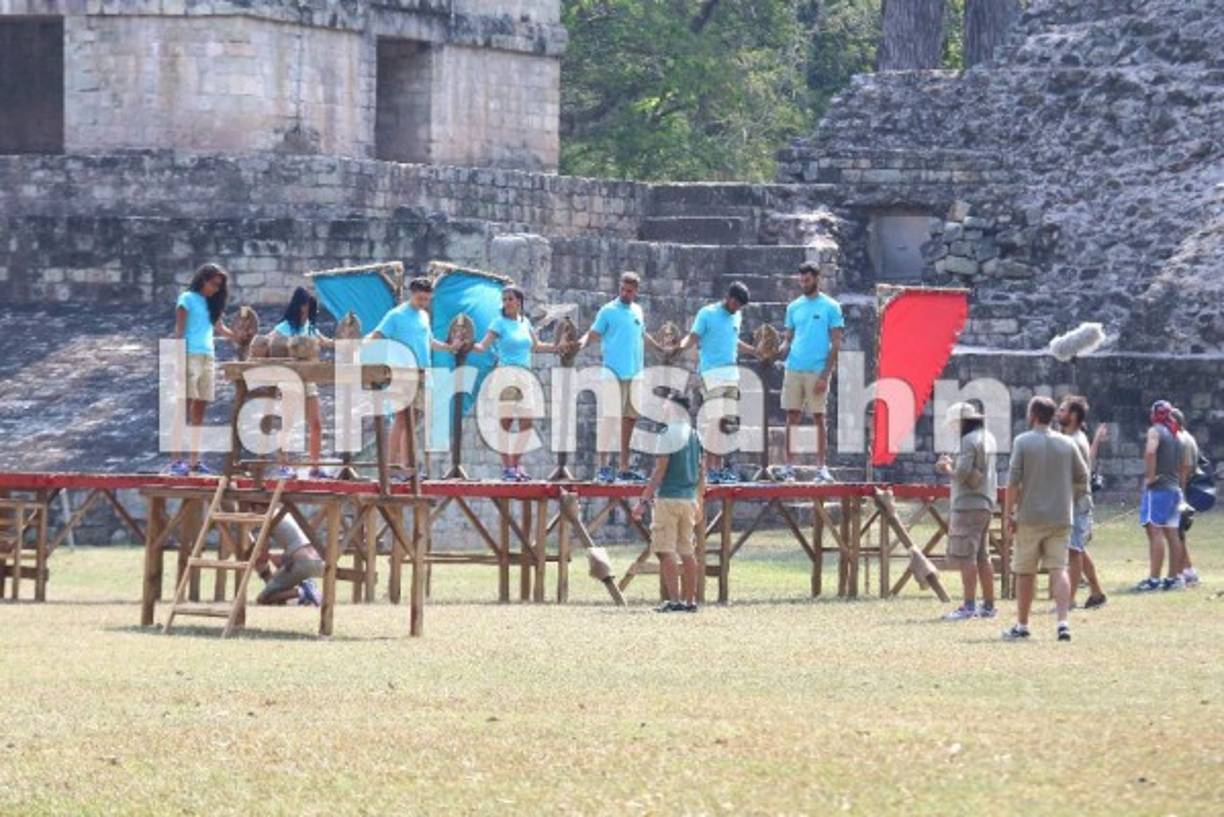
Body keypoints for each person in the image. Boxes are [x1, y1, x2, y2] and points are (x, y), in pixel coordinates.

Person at [1002, 396, 1088, 642]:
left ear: (1032, 415)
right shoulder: (1067, 443)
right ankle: (1063, 621)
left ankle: (1022, 624)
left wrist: (1009, 513)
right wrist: (1066, 494)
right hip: (1061, 515)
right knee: (1058, 568)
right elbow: (1082, 476)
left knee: (1025, 571)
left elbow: (1013, 481)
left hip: (1030, 516)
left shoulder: (1023, 442)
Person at [576, 271, 669, 483]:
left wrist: (659, 348)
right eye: (623, 289)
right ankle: (603, 466)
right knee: (609, 419)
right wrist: (579, 344)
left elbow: (642, 334)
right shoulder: (608, 310)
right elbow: (593, 333)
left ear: (636, 291)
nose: (625, 293)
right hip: (613, 373)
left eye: (630, 290)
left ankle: (624, 466)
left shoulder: (637, 310)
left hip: (635, 374)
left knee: (630, 420)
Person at [367, 277, 458, 479]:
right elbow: (377, 336)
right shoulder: (396, 315)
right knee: (401, 419)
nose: (423, 303)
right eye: (420, 299)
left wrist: (448, 347)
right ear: (412, 294)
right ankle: (391, 466)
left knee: (413, 421)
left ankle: (407, 466)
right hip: (402, 373)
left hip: (423, 373)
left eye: (427, 299)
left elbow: (429, 340)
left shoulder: (424, 316)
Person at [470, 285, 563, 481]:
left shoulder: (525, 322)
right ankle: (508, 468)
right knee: (505, 422)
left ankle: (516, 463)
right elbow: (483, 346)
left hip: (525, 376)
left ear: (519, 302)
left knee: (527, 423)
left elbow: (536, 346)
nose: (507, 303)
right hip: (507, 375)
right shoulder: (498, 323)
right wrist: (467, 344)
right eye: (504, 300)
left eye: (510, 299)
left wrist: (557, 347)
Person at [675, 282, 756, 484]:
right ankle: (709, 468)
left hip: (732, 375)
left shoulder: (736, 315)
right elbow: (693, 337)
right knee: (714, 421)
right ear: (729, 298)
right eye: (736, 304)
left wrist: (755, 351)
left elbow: (733, 341)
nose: (737, 309)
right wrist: (677, 348)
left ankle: (718, 468)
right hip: (712, 373)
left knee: (726, 424)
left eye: (740, 307)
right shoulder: (707, 314)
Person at [632, 392, 703, 613]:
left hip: (669, 498)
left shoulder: (666, 434)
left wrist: (643, 499)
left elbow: (660, 470)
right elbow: (702, 471)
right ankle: (691, 601)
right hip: (689, 499)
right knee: (687, 550)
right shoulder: (694, 435)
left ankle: (674, 601)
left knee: (665, 550)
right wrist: (699, 498)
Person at [777, 263, 844, 483]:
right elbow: (788, 337)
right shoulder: (794, 307)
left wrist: (826, 375)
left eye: (807, 280)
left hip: (817, 369)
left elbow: (836, 344)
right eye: (801, 280)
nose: (803, 283)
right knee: (792, 416)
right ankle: (789, 467)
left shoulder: (831, 307)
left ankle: (821, 468)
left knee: (818, 417)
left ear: (817, 279)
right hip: (794, 367)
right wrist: (779, 349)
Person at [169, 263, 236, 476]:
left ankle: (195, 461)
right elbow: (178, 332)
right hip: (188, 355)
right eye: (212, 283)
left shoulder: (211, 304)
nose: (215, 289)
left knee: (199, 412)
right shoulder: (186, 299)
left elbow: (221, 329)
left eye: (218, 286)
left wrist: (240, 336)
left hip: (208, 356)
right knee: (183, 409)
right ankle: (175, 461)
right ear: (203, 279)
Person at [935, 402, 998, 621]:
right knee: (983, 556)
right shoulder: (988, 437)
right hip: (986, 501)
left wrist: (946, 468)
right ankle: (989, 605)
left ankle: (969, 606)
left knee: (966, 556)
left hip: (968, 504)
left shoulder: (968, 441)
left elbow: (961, 474)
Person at [269, 287, 333, 479]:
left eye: (310, 306)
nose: (307, 309)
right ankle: (283, 465)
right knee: (288, 423)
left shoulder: (311, 328)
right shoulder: (284, 328)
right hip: (290, 380)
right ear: (298, 305)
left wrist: (348, 339)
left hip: (309, 380)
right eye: (305, 305)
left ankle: (315, 466)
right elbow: (271, 343)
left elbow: (326, 342)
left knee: (316, 424)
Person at [1057, 395, 1108, 609]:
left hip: (1077, 502)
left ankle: (1069, 601)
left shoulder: (1075, 440)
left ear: (1074, 415)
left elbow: (1076, 476)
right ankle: (1096, 593)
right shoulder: (1072, 438)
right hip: (1075, 501)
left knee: (1074, 551)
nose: (1059, 413)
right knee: (1077, 549)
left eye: (1063, 410)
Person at [1134, 400, 1186, 592]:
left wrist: (1150, 477)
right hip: (1174, 489)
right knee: (1172, 534)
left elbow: (1150, 453)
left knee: (1155, 531)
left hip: (1159, 489)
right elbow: (1181, 464)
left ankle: (1154, 580)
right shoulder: (1176, 434)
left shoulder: (1155, 430)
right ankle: (1173, 578)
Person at [255, 515, 324, 606]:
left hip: (301, 563)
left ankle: (302, 592)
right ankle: (307, 588)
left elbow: (262, 556)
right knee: (281, 573)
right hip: (318, 560)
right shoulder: (285, 513)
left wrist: (260, 564)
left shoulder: (267, 518)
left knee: (262, 599)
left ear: (258, 507)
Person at [1171, 407, 1200, 588]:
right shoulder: (1186, 437)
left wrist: (1179, 495)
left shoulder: (1183, 439)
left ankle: (1180, 573)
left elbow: (1185, 468)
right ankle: (1188, 570)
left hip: (1182, 491)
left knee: (1175, 532)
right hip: (1182, 489)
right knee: (1178, 534)